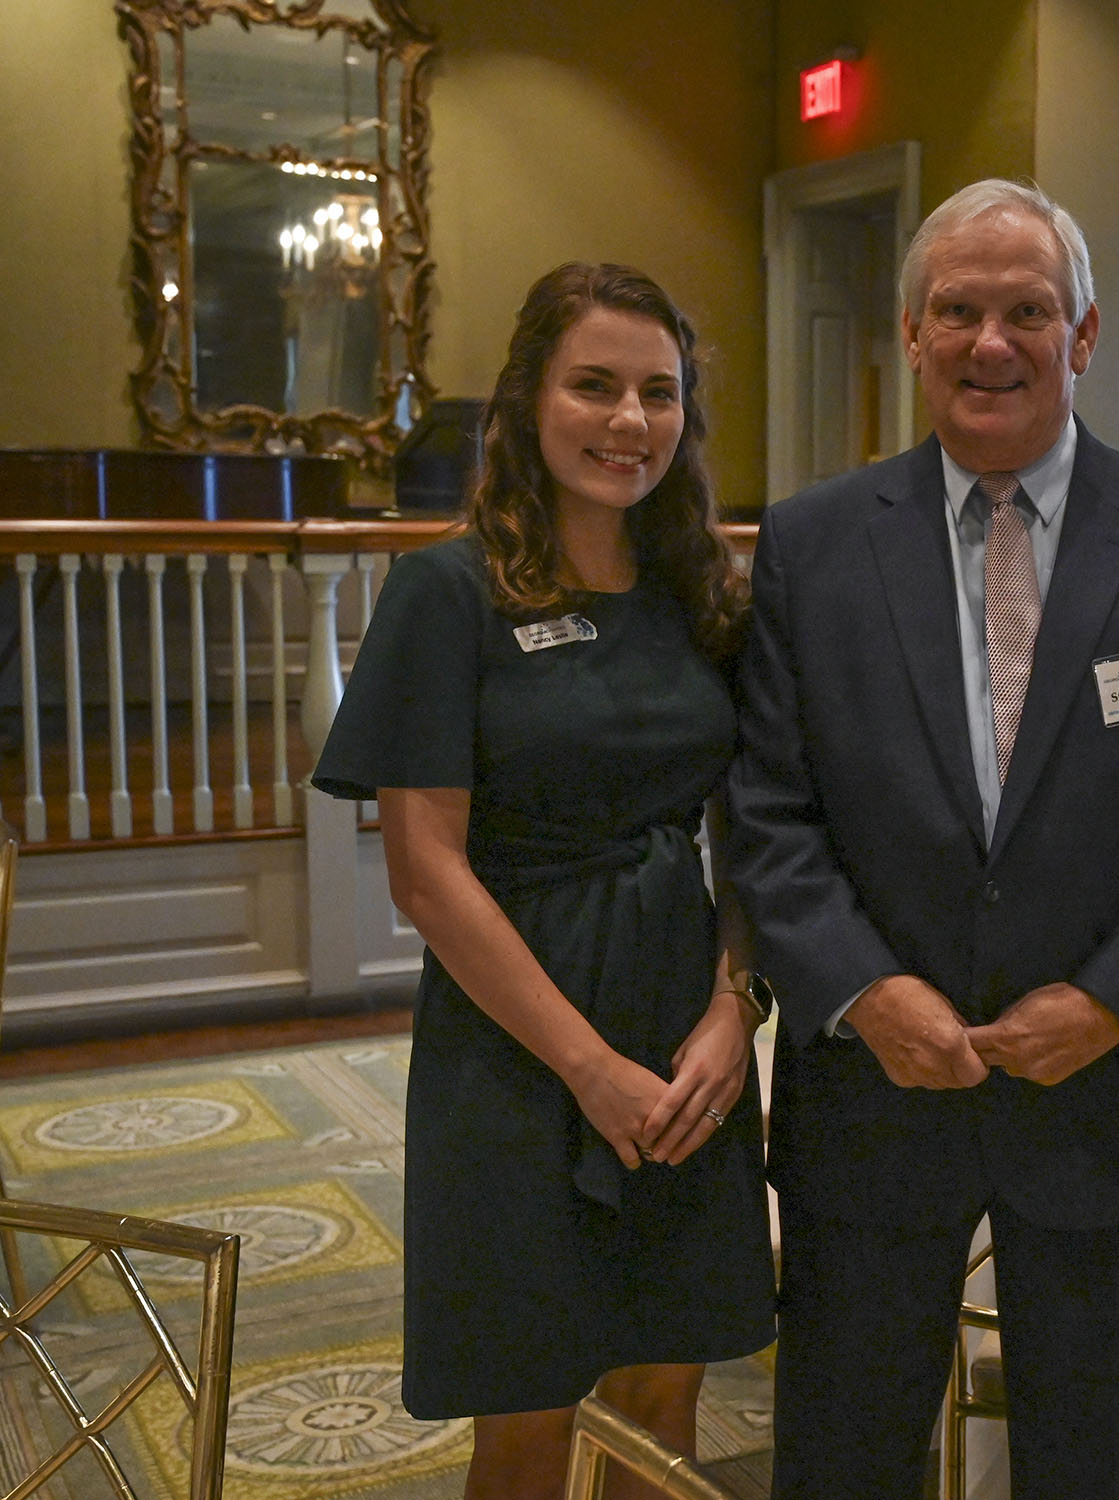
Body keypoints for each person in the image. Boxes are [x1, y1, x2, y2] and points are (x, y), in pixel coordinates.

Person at [726, 180, 1119, 1499]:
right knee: (845, 1452)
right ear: (910, 334)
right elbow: (766, 812)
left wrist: (1108, 1002)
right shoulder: (810, 544)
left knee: (1091, 1460)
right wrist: (863, 991)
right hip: (875, 1093)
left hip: (1106, 1096)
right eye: (958, 311)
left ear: (1083, 338)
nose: (991, 343)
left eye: (1028, 311)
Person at [311, 263, 776, 1500]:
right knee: (525, 1403)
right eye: (596, 386)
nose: (630, 421)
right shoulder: (444, 593)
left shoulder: (703, 594)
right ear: (525, 402)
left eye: (659, 393)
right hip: (514, 1043)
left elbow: (748, 833)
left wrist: (738, 1006)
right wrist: (588, 1068)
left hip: (684, 1022)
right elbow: (425, 873)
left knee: (666, 1385)